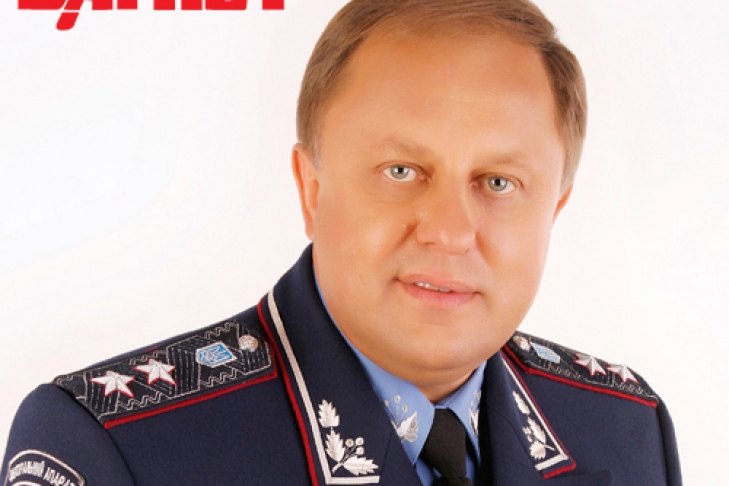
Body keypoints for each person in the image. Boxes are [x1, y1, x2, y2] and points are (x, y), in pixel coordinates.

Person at [1, 0, 681, 485]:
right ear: (312, 190)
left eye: (498, 182)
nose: (448, 232)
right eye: (401, 171)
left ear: (554, 210)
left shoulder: (624, 428)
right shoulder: (113, 447)